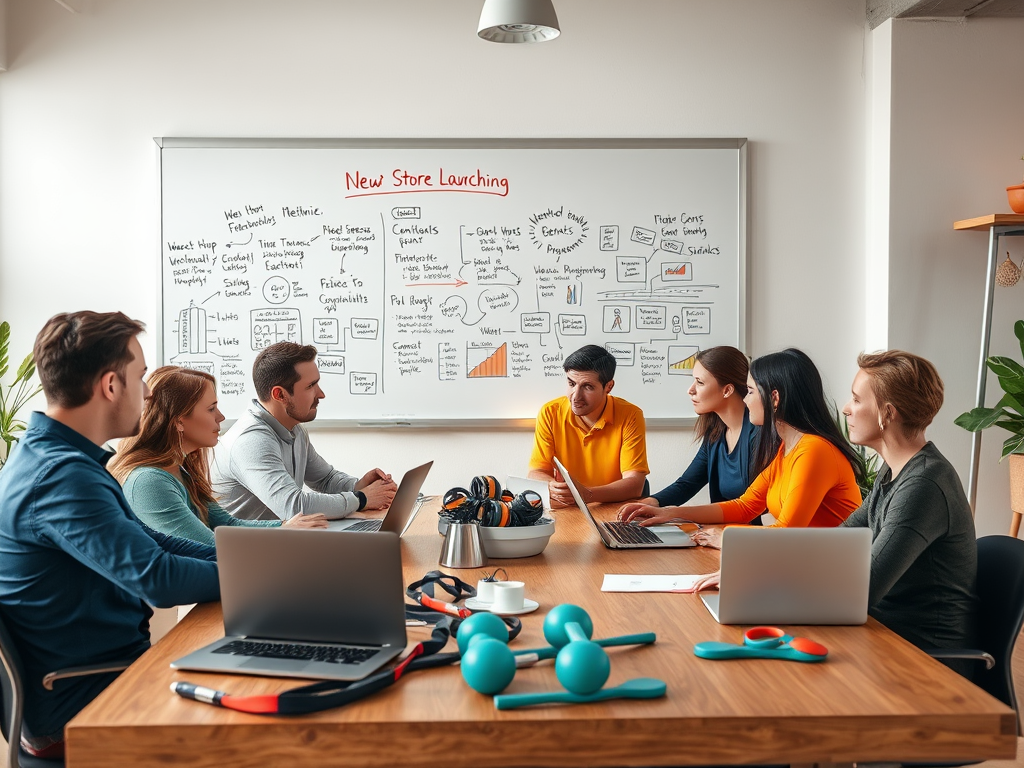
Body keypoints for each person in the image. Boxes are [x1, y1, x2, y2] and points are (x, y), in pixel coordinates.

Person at [0, 312, 220, 759]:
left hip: (100, 677)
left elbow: (153, 542)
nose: (147, 393)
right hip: (88, 701)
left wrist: (250, 562)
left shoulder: (57, 459)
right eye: (141, 378)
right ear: (110, 385)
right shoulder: (61, 478)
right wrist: (267, 578)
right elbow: (158, 579)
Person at [621, 348, 863, 566]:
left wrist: (726, 536)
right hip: (804, 566)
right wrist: (670, 512)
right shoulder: (785, 450)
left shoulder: (814, 450)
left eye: (749, 392)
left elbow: (787, 532)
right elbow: (745, 506)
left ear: (775, 399)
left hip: (830, 573)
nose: (745, 401)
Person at [840, 351, 978, 669]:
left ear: (887, 414)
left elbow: (861, 590)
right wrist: (759, 572)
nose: (847, 408)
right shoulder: (894, 472)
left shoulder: (925, 484)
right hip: (882, 637)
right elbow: (837, 544)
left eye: (856, 399)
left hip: (921, 661)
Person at [110, 366, 329, 545]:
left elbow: (226, 525)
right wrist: (284, 537)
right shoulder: (149, 481)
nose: (221, 417)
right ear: (178, 421)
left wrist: (285, 527)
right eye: (211, 409)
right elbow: (211, 548)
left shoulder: (180, 470)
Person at [211, 342, 397, 521]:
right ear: (280, 395)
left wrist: (360, 485)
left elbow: (325, 479)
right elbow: (294, 507)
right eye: (310, 386)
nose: (321, 394)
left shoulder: (294, 429)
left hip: (279, 542)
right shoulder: (251, 441)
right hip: (247, 551)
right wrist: (361, 499)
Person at [632, 346, 770, 515]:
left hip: (747, 536)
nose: (690, 390)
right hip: (723, 532)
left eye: (700, 382)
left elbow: (753, 507)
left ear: (727, 390)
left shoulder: (760, 435)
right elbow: (688, 483)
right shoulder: (715, 432)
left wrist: (672, 513)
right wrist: (650, 503)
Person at [528, 344, 649, 507]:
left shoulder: (630, 415)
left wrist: (586, 494)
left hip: (613, 509)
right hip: (568, 509)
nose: (575, 396)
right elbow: (536, 472)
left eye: (587, 387)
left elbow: (635, 484)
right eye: (571, 384)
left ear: (609, 387)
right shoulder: (550, 412)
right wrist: (552, 486)